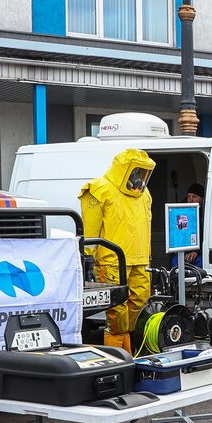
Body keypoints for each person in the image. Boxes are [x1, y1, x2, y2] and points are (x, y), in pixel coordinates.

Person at [80, 148, 156, 352]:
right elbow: (90, 231)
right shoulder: (99, 189)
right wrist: (87, 260)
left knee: (140, 299)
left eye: (143, 172)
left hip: (139, 259)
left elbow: (146, 225)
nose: (139, 177)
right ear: (125, 170)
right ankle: (119, 354)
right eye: (136, 171)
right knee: (117, 309)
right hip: (111, 261)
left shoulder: (144, 194)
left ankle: (125, 346)